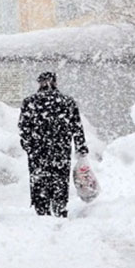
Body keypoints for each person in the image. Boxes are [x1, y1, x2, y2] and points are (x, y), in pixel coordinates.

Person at [18, 72, 89, 217]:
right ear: (55, 82)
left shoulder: (30, 102)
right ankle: (59, 208)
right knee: (60, 180)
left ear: (39, 83)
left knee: (40, 180)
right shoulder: (67, 102)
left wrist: (29, 146)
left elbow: (23, 128)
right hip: (60, 149)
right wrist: (80, 146)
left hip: (38, 150)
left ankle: (42, 210)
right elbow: (77, 127)